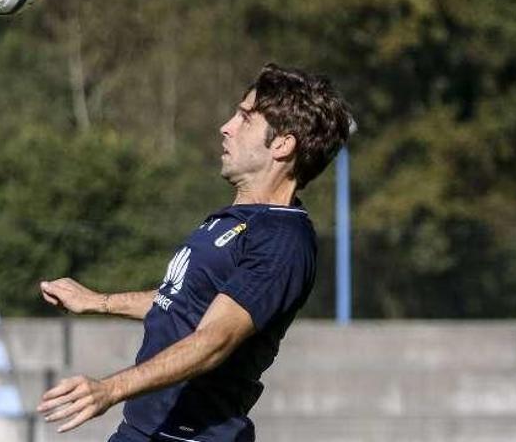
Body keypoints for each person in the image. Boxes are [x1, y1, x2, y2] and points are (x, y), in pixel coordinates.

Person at [37, 63, 354, 441]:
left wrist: (110, 389)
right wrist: (98, 301)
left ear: (282, 144)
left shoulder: (282, 240)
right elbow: (183, 301)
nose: (226, 126)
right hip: (146, 430)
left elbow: (214, 339)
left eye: (244, 118)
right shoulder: (236, 219)